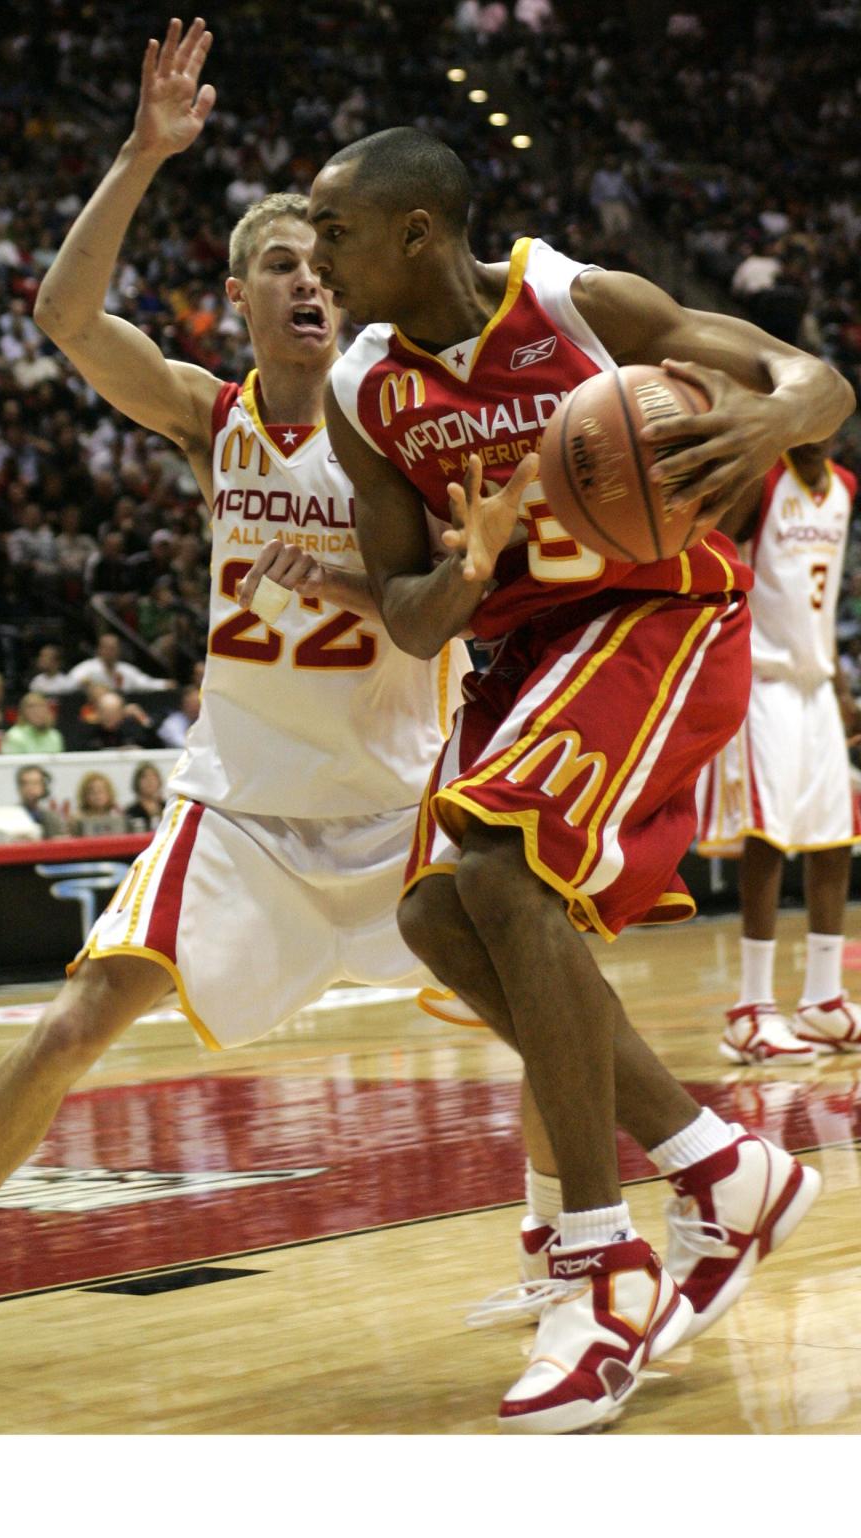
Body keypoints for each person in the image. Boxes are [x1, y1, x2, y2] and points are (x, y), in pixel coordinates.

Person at [0, 23, 464, 1390]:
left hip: (401, 801)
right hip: (245, 810)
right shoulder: (207, 415)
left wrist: (342, 561)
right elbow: (64, 321)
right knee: (74, 1021)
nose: (309, 281)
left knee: (545, 1014)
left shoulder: (407, 423)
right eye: (281, 264)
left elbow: (468, 584)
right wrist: (147, 152)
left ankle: (595, 1238)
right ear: (240, 296)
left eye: (324, 263)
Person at [308, 126, 854, 1433]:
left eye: (333, 230)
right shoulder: (364, 387)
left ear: (417, 234)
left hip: (659, 616)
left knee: (499, 863)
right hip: (521, 651)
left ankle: (597, 1261)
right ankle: (720, 1165)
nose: (317, 256)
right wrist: (473, 555)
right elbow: (415, 615)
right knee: (440, 910)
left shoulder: (576, 301)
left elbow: (812, 375)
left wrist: (775, 417)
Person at [696, 438, 861, 1063]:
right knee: (764, 837)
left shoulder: (843, 486)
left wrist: (841, 687)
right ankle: (750, 1008)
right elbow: (710, 539)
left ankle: (822, 1000)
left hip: (816, 684)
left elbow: (816, 598)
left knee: (833, 837)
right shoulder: (760, 481)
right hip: (760, 680)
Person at [65, 632, 174, 693]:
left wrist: (164, 684)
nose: (110, 652)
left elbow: (144, 682)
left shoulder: (126, 670)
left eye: (113, 648)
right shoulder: (87, 668)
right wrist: (82, 682)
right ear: (99, 650)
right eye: (106, 648)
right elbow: (68, 684)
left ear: (118, 651)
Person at [80, 688, 159, 751]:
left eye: (112, 712)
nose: (108, 717)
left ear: (122, 713)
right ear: (98, 712)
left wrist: (144, 719)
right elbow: (81, 752)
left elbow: (157, 748)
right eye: (104, 712)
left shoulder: (133, 729)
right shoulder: (90, 731)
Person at [2, 692, 66, 756]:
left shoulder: (54, 736)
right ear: (23, 712)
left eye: (41, 706)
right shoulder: (14, 735)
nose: (37, 711)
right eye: (31, 707)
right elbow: (12, 763)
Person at [16, 764, 69, 839]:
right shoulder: (12, 817)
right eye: (25, 783)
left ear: (43, 787)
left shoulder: (53, 818)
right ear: (19, 787)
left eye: (35, 783)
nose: (30, 788)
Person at [70, 770, 126, 837]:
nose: (97, 796)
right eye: (92, 792)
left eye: (101, 791)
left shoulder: (116, 816)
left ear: (109, 793)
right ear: (84, 795)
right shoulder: (77, 820)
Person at [124, 761, 166, 832]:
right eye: (144, 777)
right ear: (137, 782)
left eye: (153, 777)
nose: (149, 781)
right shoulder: (131, 812)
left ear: (159, 781)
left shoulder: (168, 807)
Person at [157, 682, 200, 748]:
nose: (196, 708)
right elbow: (181, 744)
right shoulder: (171, 723)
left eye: (198, 704)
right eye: (192, 704)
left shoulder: (205, 720)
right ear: (183, 704)